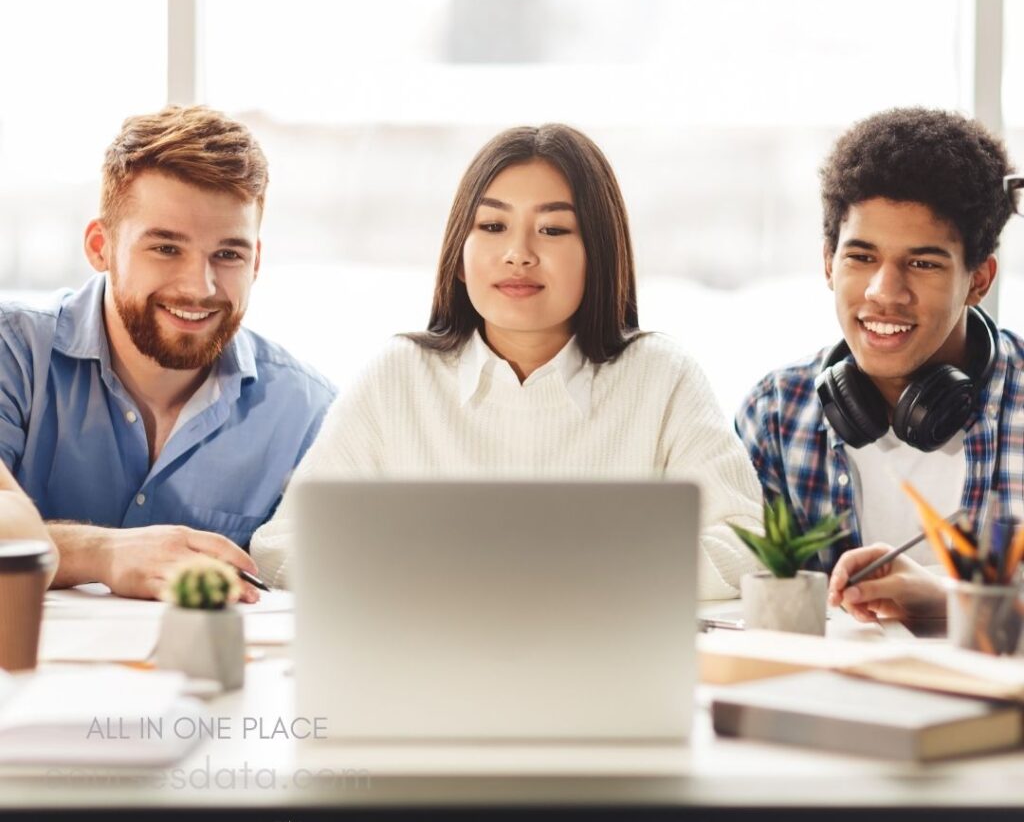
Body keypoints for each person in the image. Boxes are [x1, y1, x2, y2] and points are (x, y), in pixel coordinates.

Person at [251, 123, 763, 597]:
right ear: (460, 251)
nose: (518, 253)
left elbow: (747, 545)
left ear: (599, 252)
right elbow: (281, 547)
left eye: (553, 230)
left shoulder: (660, 375)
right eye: (493, 226)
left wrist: (581, 572)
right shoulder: (399, 375)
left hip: (596, 666)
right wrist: (424, 576)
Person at [0, 106, 335, 599]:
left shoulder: (308, 413)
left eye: (228, 254)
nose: (198, 288)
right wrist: (102, 552)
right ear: (101, 246)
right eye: (166, 248)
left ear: (256, 260)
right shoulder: (15, 354)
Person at [735, 107, 1022, 622]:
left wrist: (944, 604)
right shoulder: (776, 414)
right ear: (828, 262)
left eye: (922, 263)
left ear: (979, 280)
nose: (883, 292)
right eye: (861, 257)